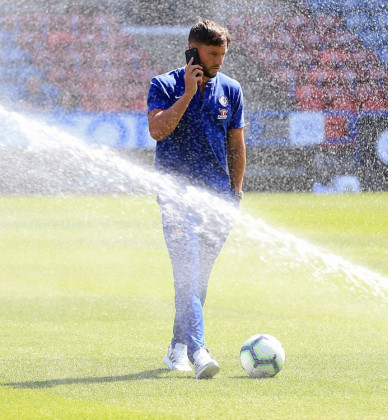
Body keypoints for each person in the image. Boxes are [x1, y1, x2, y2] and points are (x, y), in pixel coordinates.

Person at [147, 18, 246, 379]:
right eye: (212, 54)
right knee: (187, 275)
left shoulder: (231, 90)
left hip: (219, 199)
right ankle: (198, 350)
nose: (219, 60)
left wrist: (235, 193)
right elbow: (158, 130)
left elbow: (236, 145)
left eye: (222, 54)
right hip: (176, 200)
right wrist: (188, 93)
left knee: (198, 280)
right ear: (193, 51)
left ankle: (177, 346)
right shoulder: (164, 85)